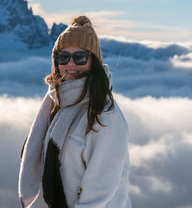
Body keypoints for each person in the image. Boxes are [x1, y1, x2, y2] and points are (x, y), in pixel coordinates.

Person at [18, 15, 131, 208]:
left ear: (93, 61)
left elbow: (98, 193)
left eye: (79, 58)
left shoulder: (105, 115)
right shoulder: (57, 103)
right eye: (64, 57)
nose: (70, 64)